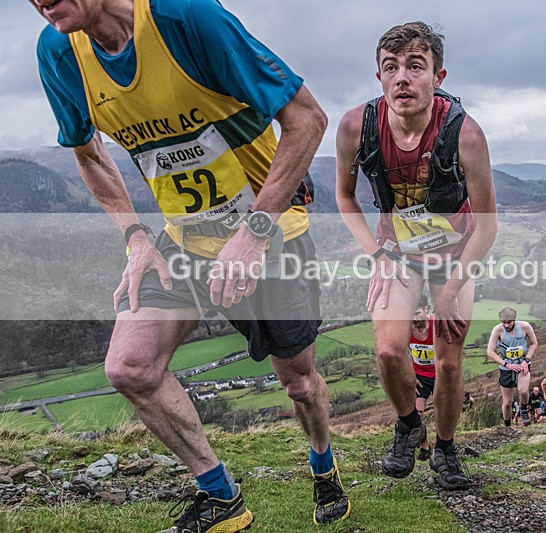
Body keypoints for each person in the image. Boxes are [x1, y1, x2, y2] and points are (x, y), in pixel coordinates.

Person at [29, 0, 350, 529]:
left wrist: (254, 232)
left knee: (297, 381)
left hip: (270, 237)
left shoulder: (186, 18)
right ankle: (221, 497)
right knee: (129, 367)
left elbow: (307, 120)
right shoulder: (60, 49)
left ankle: (322, 462)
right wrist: (137, 239)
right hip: (184, 241)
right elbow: (87, 152)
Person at [335, 21, 497, 490]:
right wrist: (376, 254)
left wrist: (450, 290)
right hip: (397, 252)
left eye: (415, 66)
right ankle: (408, 423)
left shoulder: (464, 135)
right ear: (380, 77)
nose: (402, 77)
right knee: (388, 350)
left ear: (438, 77)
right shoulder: (355, 127)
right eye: (391, 67)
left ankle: (446, 450)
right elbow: (346, 198)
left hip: (457, 253)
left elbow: (487, 226)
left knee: (448, 360)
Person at [486, 307, 539, 427]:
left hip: (522, 365)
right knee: (507, 403)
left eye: (509, 322)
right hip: (506, 368)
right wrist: (506, 364)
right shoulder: (498, 330)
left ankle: (524, 409)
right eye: (503, 322)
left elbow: (534, 344)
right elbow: (490, 351)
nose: (506, 325)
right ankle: (507, 426)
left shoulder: (525, 327)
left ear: (514, 320)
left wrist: (526, 360)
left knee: (523, 391)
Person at [409, 294, 435, 460]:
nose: (414, 319)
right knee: (417, 413)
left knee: (443, 411)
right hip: (420, 376)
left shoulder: (437, 325)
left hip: (440, 375)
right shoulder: (406, 328)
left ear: (426, 309)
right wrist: (411, 375)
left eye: (417, 313)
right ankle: (424, 445)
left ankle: (444, 446)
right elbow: (402, 353)